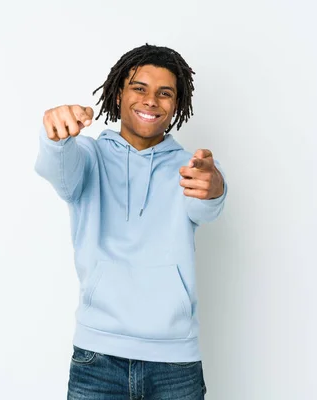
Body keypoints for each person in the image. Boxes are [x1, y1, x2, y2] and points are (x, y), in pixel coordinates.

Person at [34, 43, 228, 399]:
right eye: (140, 87)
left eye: (164, 93)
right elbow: (59, 170)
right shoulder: (88, 157)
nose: (151, 100)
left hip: (175, 365)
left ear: (177, 105)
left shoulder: (189, 167)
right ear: (119, 94)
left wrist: (215, 187)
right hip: (98, 360)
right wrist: (56, 138)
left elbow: (207, 206)